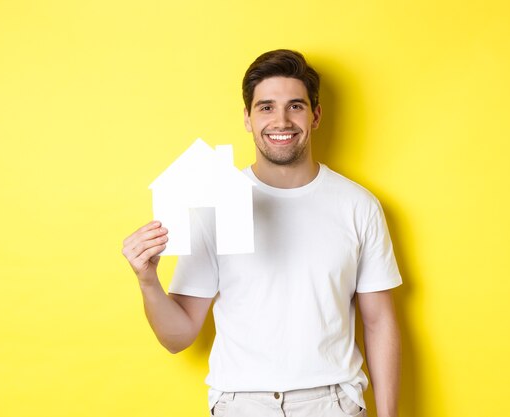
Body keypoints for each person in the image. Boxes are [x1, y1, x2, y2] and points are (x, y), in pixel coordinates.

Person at [122, 49, 402, 417]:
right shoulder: (213, 204)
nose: (281, 120)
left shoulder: (358, 205)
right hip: (241, 403)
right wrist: (146, 280)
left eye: (296, 106)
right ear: (247, 118)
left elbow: (379, 322)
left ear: (315, 116)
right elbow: (178, 337)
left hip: (332, 402)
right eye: (266, 107)